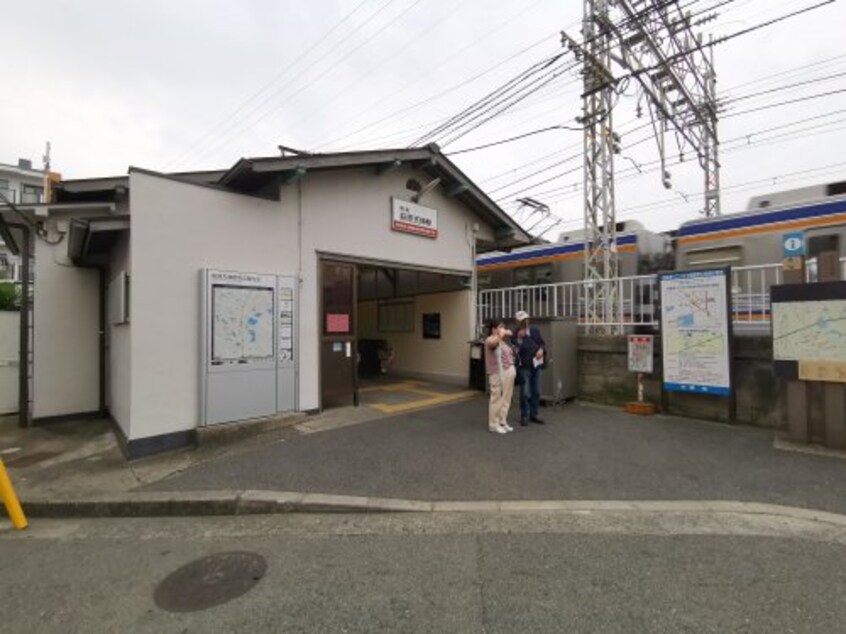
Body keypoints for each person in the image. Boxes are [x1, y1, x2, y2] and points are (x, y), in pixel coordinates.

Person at [484, 319, 516, 434]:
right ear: (493, 329)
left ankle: (502, 421)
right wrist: (502, 333)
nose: (502, 328)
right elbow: (493, 343)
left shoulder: (502, 341)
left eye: (503, 326)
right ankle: (493, 424)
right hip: (496, 373)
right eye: (500, 326)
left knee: (506, 398)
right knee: (496, 399)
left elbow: (511, 333)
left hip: (507, 372)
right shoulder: (490, 339)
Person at [514, 310, 546, 426]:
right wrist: (520, 340)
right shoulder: (515, 333)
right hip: (524, 366)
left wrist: (541, 350)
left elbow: (542, 343)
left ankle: (534, 414)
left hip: (536, 364)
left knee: (536, 391)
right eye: (522, 320)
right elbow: (516, 351)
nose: (525, 322)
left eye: (526, 319)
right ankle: (525, 415)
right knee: (525, 392)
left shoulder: (534, 329)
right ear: (517, 322)